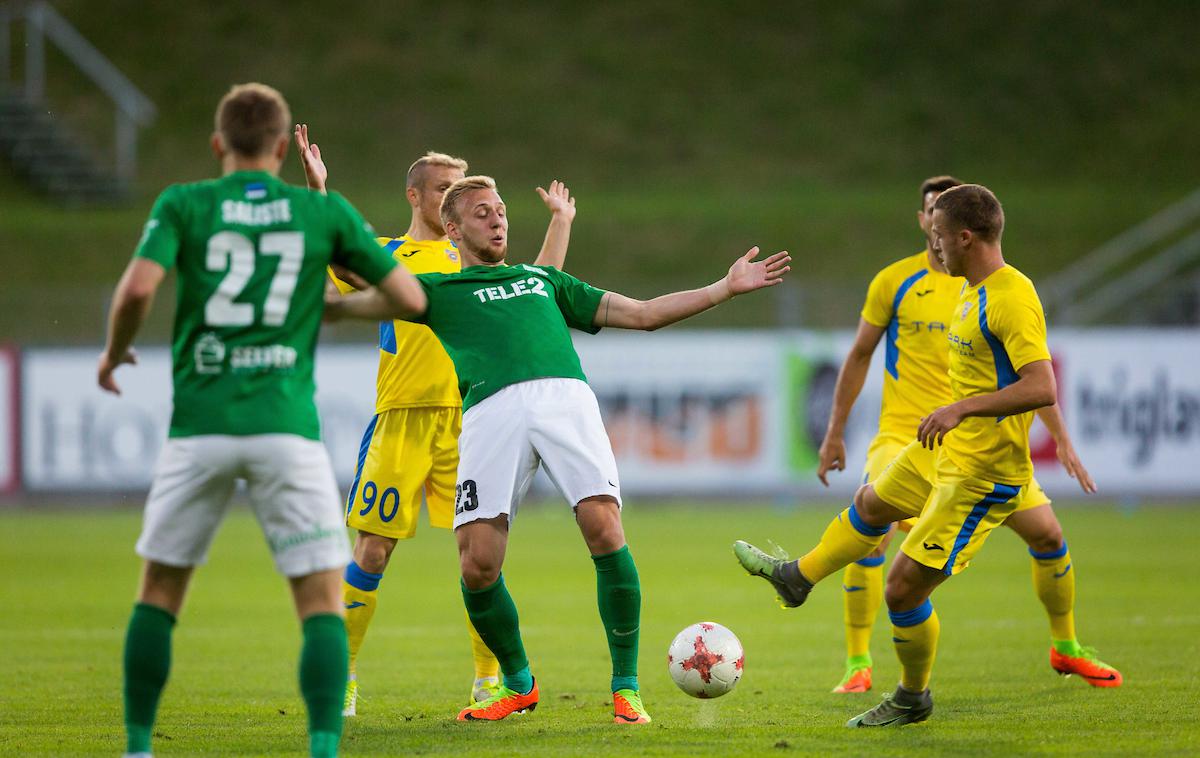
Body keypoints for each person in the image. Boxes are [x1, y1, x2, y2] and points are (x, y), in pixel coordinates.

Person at [326, 175, 791, 725]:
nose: (498, 219)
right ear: (452, 230)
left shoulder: (542, 279)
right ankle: (518, 684)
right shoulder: (437, 290)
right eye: (482, 213)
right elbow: (353, 288)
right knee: (477, 565)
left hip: (564, 401)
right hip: (487, 412)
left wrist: (723, 287)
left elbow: (642, 314)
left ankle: (626, 688)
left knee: (605, 529)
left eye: (500, 210)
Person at [99, 83, 424, 758]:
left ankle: (136, 747)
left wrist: (114, 351)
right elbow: (409, 295)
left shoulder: (183, 203)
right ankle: (323, 749)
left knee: (160, 589)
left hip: (200, 426)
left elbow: (135, 288)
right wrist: (331, 308)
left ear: (219, 144)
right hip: (285, 429)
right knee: (318, 602)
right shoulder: (321, 213)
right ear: (282, 147)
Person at [736, 184, 1058, 727]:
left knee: (902, 587)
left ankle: (913, 697)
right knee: (871, 502)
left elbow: (1043, 385)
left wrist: (962, 409)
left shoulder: (1010, 296)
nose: (935, 248)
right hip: (947, 452)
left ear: (964, 237)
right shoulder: (969, 289)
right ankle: (797, 578)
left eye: (940, 238)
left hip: (981, 475)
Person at [294, 127, 578, 715]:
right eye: (445, 189)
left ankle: (487, 680)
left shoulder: (474, 259)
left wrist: (560, 223)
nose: (456, 199)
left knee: (480, 556)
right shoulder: (388, 254)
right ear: (417, 198)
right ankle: (341, 677)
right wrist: (319, 193)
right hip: (400, 420)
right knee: (371, 551)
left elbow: (539, 288)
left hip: (470, 420)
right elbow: (335, 258)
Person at [813, 177, 1121, 694]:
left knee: (1047, 534)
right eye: (930, 217)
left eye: (944, 221)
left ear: (963, 234)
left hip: (977, 445)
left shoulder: (987, 288)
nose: (936, 232)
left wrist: (1061, 438)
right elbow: (861, 354)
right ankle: (858, 662)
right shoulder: (896, 282)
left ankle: (1065, 647)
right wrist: (834, 433)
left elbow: (1025, 377)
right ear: (922, 221)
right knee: (876, 525)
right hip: (907, 435)